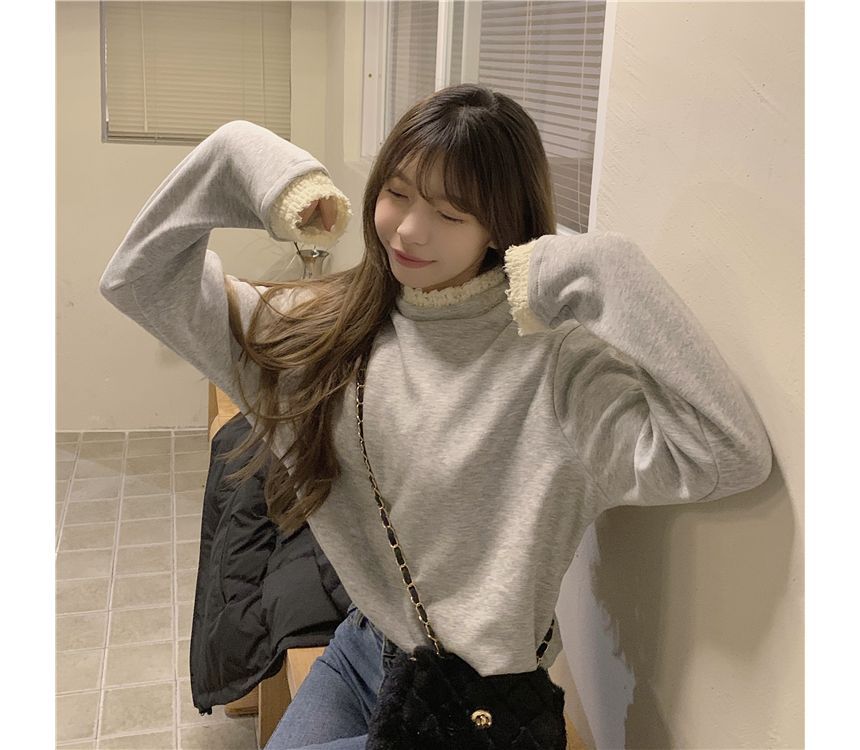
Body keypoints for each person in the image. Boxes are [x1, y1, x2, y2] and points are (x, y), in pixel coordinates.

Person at [99, 84, 773, 749]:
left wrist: (603, 267)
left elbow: (726, 452)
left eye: (451, 214)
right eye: (397, 193)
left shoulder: (559, 372)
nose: (409, 231)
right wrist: (257, 165)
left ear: (500, 226)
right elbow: (139, 279)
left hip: (476, 708)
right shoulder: (325, 332)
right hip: (363, 650)